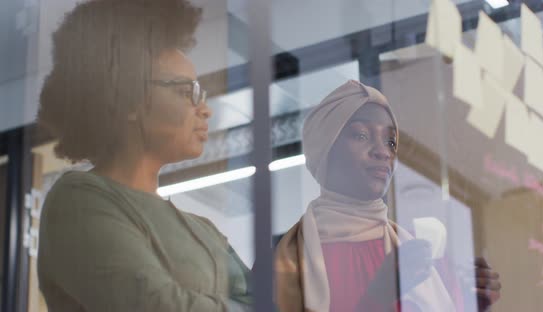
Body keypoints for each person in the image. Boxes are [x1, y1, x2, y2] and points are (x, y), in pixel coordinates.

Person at [36, 0, 251, 311]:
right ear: (128, 98)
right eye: (185, 92)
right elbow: (157, 306)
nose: (205, 109)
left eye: (200, 94)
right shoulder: (77, 200)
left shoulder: (204, 230)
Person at [274, 80, 501, 312]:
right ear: (326, 148)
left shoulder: (419, 258)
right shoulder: (287, 264)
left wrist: (473, 301)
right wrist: (379, 297)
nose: (382, 151)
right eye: (361, 136)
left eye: (390, 142)